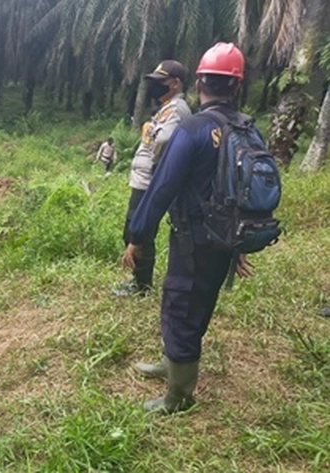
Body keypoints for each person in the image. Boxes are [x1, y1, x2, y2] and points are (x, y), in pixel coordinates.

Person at [122, 42, 255, 414]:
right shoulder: (245, 130)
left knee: (179, 304)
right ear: (237, 86)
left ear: (199, 83)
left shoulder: (194, 129)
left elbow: (162, 185)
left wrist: (138, 236)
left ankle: (178, 397)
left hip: (194, 237)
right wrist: (240, 243)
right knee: (201, 302)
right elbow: (248, 191)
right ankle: (174, 362)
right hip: (226, 239)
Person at [114, 60, 192, 297]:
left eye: (160, 82)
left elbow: (165, 140)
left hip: (149, 181)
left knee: (137, 231)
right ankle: (140, 282)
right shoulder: (166, 108)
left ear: (175, 83)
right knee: (135, 230)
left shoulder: (176, 109)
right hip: (145, 179)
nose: (155, 86)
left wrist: (158, 166)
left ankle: (141, 287)